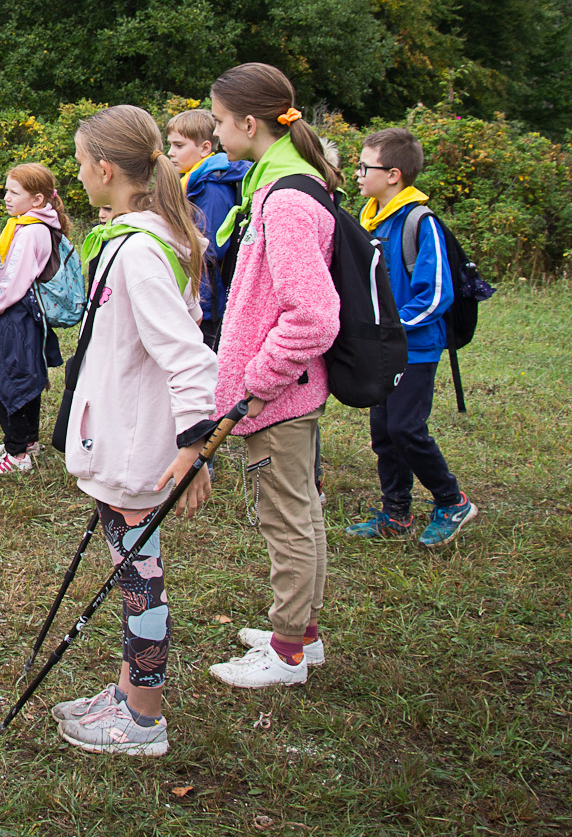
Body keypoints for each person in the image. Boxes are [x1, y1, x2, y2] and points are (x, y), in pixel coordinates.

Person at [49, 106, 217, 756]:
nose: (79, 176)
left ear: (105, 168)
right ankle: (126, 691)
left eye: (81, 162)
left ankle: (142, 717)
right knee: (133, 573)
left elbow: (188, 357)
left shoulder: (140, 253)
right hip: (121, 433)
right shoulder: (136, 239)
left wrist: (192, 446)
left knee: (140, 580)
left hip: (138, 444)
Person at [202, 63, 342, 689]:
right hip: (286, 393)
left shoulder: (284, 199)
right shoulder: (281, 183)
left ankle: (286, 651)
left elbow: (312, 317)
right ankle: (302, 633)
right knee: (300, 512)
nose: (214, 128)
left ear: (249, 123)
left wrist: (256, 383)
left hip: (278, 397)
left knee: (285, 519)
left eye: (219, 120)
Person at [348, 127, 478, 546]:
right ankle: (396, 512)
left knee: (406, 428)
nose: (357, 173)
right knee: (384, 432)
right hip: (383, 349)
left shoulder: (420, 223)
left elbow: (437, 292)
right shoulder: (370, 219)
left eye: (365, 166)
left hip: (415, 349)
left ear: (394, 175)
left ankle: (451, 500)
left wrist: (391, 328)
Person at [0, 163, 70, 475]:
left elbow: (13, 283)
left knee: (13, 381)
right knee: (28, 378)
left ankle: (16, 455)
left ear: (38, 199)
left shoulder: (30, 232)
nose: (6, 197)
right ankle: (27, 441)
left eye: (14, 192)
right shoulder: (37, 226)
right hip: (31, 316)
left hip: (19, 315)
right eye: (7, 190)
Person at [166, 108, 248, 351]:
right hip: (194, 289)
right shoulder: (192, 181)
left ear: (204, 148)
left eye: (179, 145)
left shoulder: (211, 187)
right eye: (170, 144)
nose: (170, 152)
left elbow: (212, 247)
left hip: (207, 296)